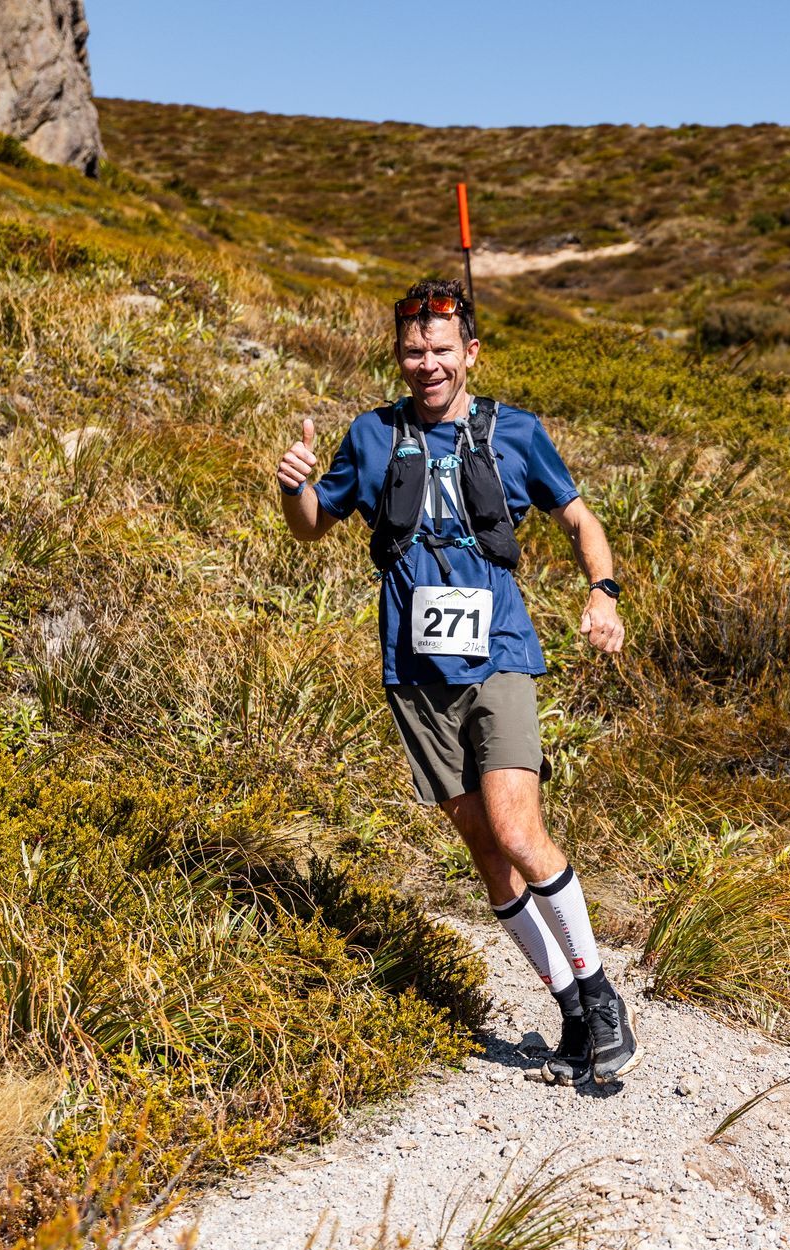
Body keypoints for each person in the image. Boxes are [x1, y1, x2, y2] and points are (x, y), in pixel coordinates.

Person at [272, 278, 641, 1086]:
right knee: (483, 848)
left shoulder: (515, 432)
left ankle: (604, 995)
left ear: (470, 353)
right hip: (413, 670)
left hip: (500, 653)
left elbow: (580, 519)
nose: (426, 364)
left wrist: (602, 593)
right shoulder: (372, 437)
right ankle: (572, 1011)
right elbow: (311, 529)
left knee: (516, 828)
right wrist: (294, 483)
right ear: (398, 355)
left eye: (442, 350)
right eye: (413, 350)